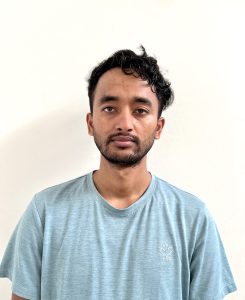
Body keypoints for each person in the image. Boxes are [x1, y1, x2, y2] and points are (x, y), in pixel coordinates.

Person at [0, 46, 237, 300]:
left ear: (158, 127)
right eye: (110, 108)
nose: (125, 123)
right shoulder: (45, 211)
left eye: (140, 110)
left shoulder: (193, 217)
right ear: (91, 123)